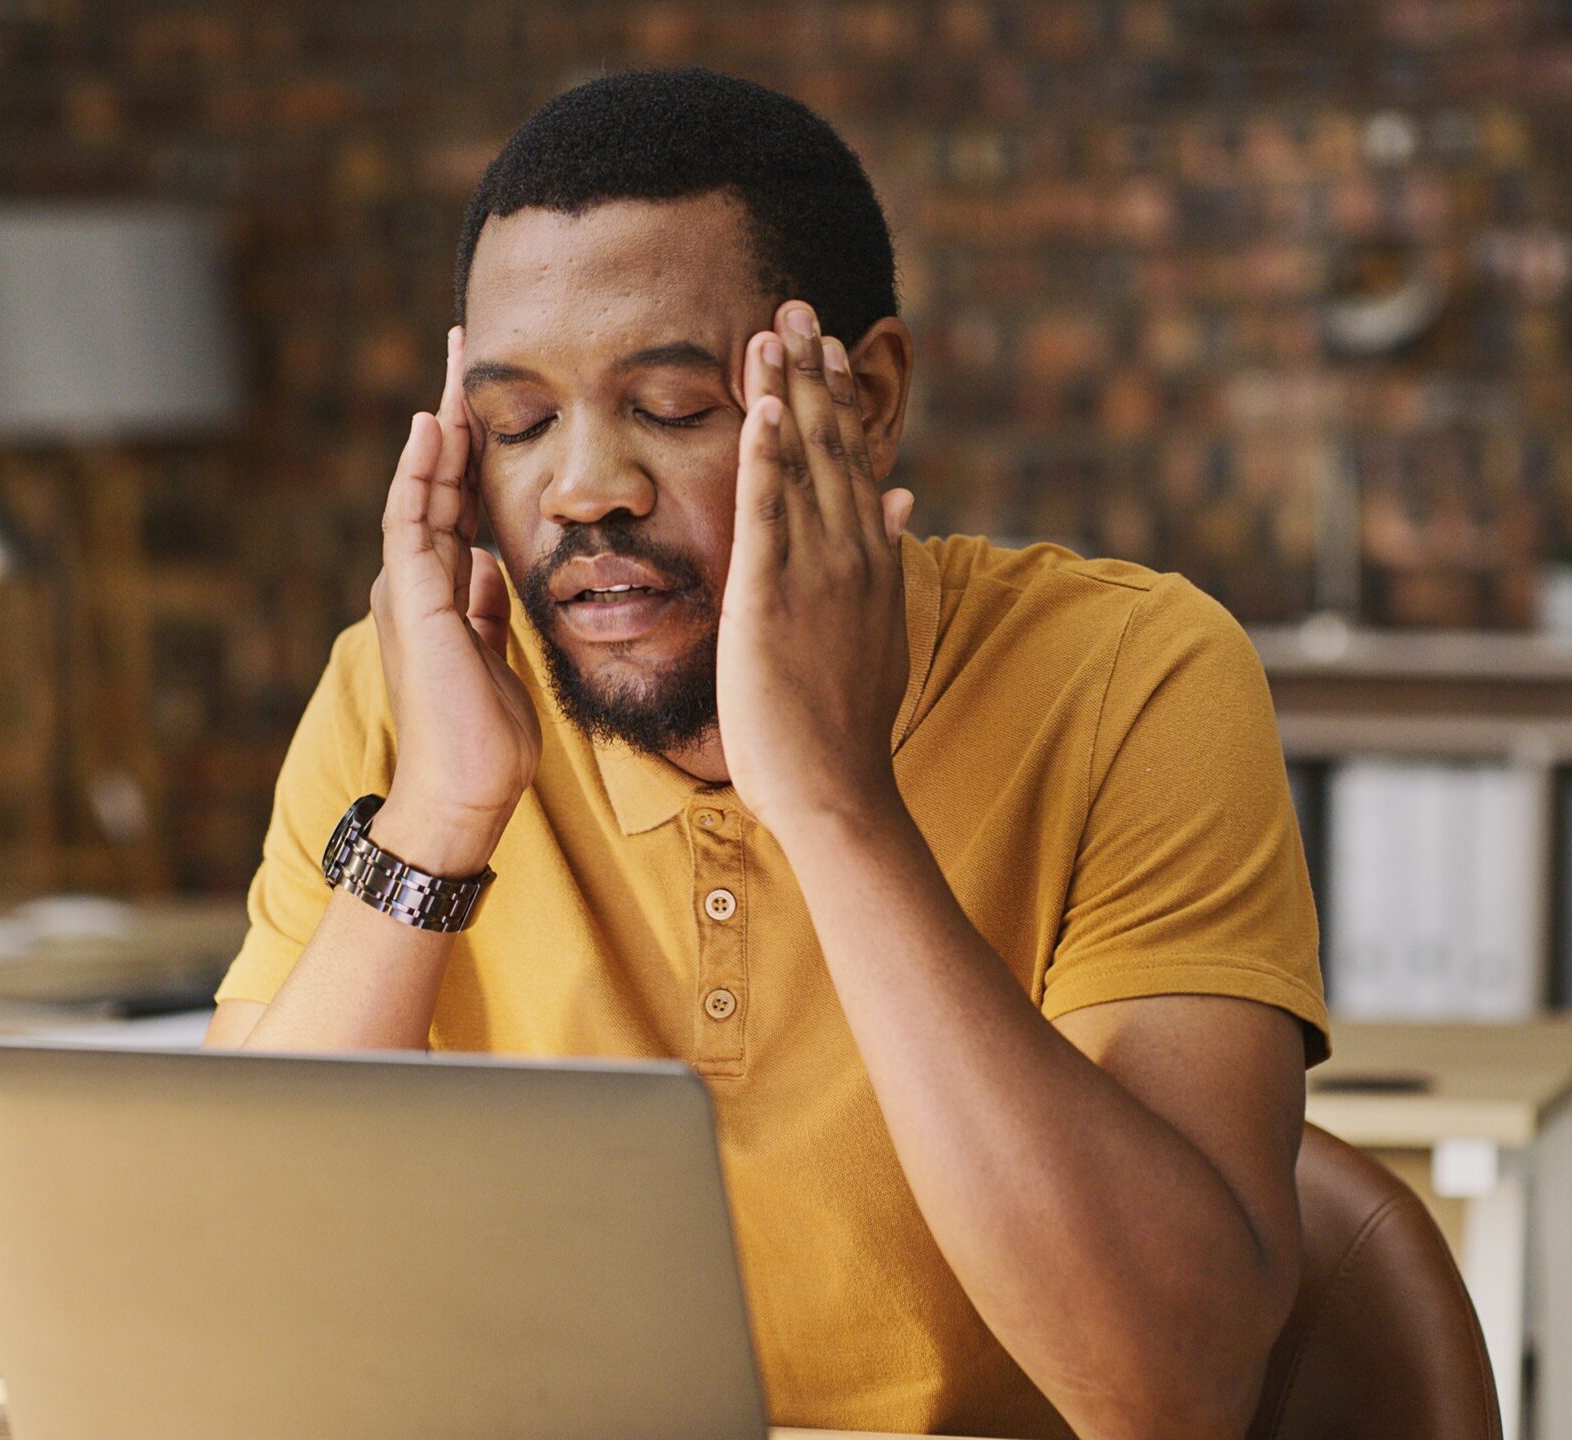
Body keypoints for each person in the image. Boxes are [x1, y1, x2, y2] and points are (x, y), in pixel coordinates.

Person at [205, 67, 1328, 1440]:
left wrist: (835, 803)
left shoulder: (1133, 677)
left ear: (864, 401)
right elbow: (228, 1299)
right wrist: (439, 810)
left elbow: (1175, 1387)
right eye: (517, 423)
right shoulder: (408, 690)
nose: (582, 489)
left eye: (671, 407)